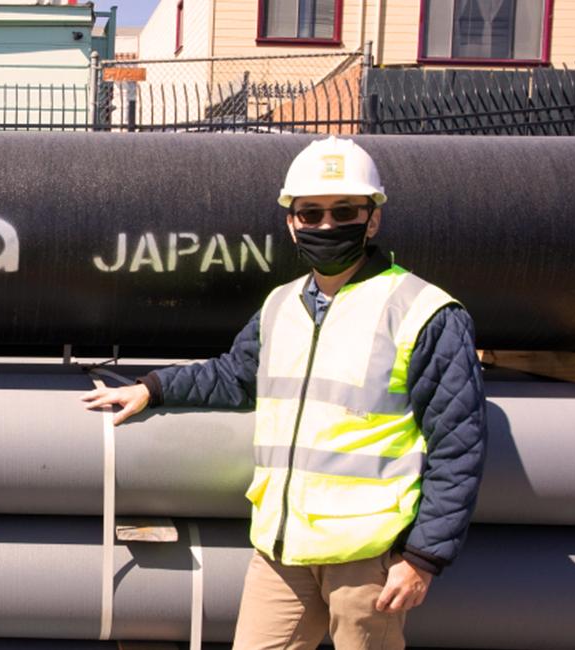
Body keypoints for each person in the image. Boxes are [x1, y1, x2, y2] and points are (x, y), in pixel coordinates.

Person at [82, 137, 487, 649]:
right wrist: (152, 388)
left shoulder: (424, 311)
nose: (325, 225)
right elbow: (235, 375)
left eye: (343, 211)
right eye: (310, 213)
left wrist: (423, 558)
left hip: (369, 559)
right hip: (282, 549)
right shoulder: (281, 305)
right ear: (291, 222)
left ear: (373, 218)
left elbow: (459, 444)